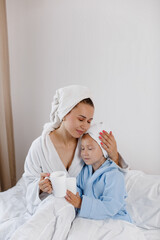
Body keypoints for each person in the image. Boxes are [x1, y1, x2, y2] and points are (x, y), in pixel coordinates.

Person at [0, 85, 128, 240]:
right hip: (50, 204)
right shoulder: (40, 146)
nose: (85, 126)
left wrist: (113, 156)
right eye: (81, 119)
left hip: (75, 206)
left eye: (89, 121)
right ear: (64, 113)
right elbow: (28, 182)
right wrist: (40, 188)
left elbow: (104, 174)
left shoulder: (87, 143)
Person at [65, 122, 132, 223]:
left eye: (90, 148)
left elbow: (111, 207)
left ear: (104, 149)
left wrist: (81, 204)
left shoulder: (114, 175)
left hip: (115, 220)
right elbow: (77, 187)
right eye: (82, 148)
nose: (84, 153)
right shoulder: (84, 171)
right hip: (90, 218)